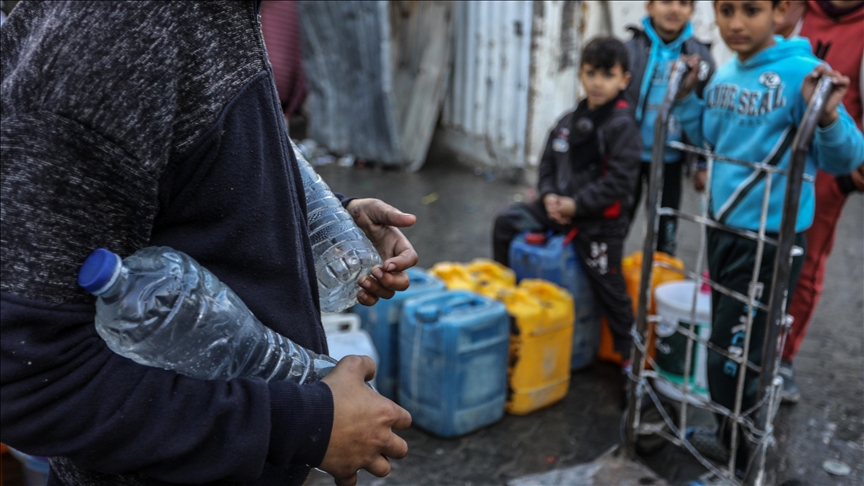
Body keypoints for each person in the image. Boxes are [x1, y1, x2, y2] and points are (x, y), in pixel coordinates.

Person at [0, 2, 417, 486]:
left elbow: (186, 160)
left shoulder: (218, 11)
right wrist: (301, 423)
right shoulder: (118, 34)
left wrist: (320, 218)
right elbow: (26, 376)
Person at [675, 0, 864, 471]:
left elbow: (847, 157)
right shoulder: (724, 77)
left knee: (736, 358)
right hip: (723, 231)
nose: (736, 23)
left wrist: (828, 117)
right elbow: (710, 137)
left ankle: (750, 458)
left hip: (770, 241)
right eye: (726, 10)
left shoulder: (804, 73)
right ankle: (732, 440)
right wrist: (688, 97)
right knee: (723, 347)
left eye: (752, 10)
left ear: (780, 11)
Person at [492, 37, 642, 379]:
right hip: (556, 208)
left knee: (610, 287)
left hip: (599, 224)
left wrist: (576, 205)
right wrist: (548, 197)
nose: (598, 82)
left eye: (607, 75)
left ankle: (630, 363)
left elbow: (619, 183)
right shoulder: (566, 121)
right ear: (580, 74)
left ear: (624, 80)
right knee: (506, 221)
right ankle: (509, 306)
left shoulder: (622, 127)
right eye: (591, 73)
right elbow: (546, 166)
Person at [772, 0, 864, 405]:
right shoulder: (796, 8)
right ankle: (742, 344)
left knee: (804, 260)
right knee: (754, 246)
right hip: (775, 148)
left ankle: (783, 357)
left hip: (830, 162)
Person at [624, 0, 716, 257]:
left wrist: (701, 163)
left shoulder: (703, 59)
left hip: (670, 160)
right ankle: (609, 286)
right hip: (628, 157)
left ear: (693, 11)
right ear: (649, 6)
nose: (674, 9)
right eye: (666, 1)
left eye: (684, 3)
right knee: (615, 225)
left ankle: (658, 285)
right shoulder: (629, 51)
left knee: (665, 231)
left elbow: (706, 114)